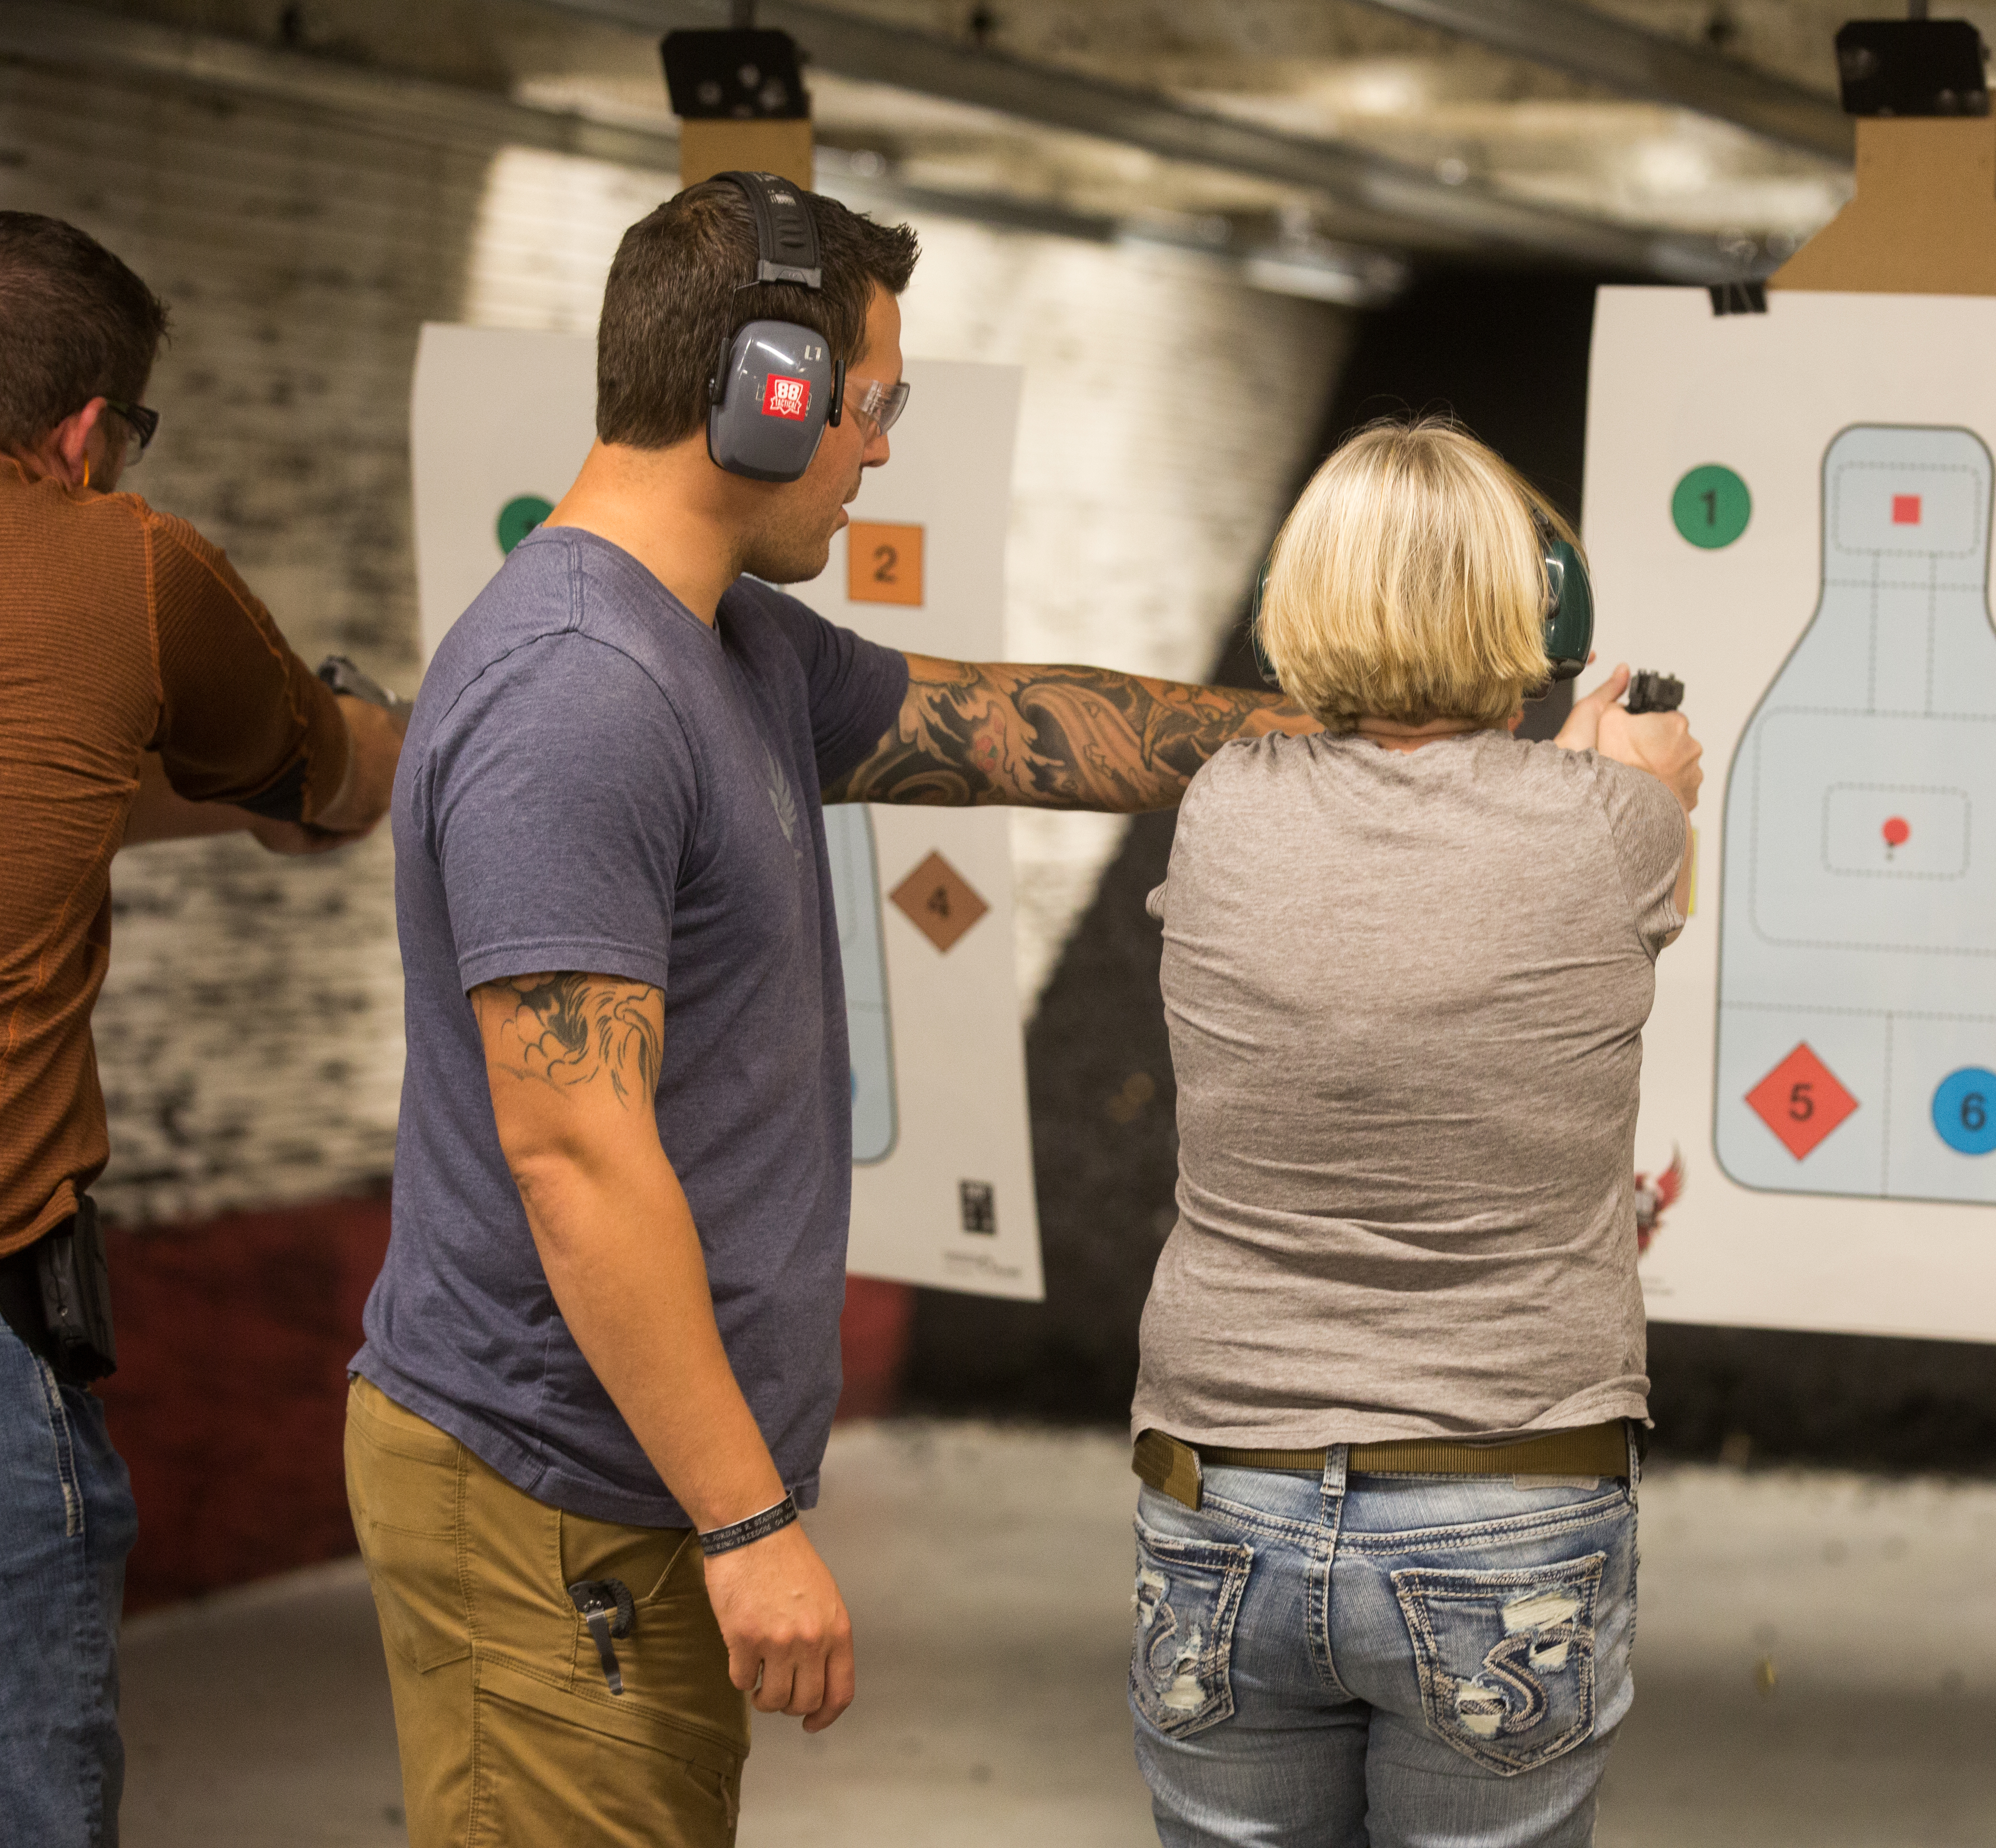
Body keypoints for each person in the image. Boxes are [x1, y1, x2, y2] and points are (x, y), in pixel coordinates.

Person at [341, 173, 1314, 1846]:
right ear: (765, 394)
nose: (877, 452)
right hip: (557, 1495)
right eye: (871, 406)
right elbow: (574, 1156)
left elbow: (1007, 728)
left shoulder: (732, 650)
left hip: (619, 1490)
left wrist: (1357, 740)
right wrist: (745, 1524)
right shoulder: (580, 693)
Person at [1126, 417, 1703, 1848]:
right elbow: (1574, 862)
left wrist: (1577, 782)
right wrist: (1634, 779)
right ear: (1533, 607)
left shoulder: (1222, 809)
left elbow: (1407, 838)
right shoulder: (1617, 828)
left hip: (1223, 1497)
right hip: (1509, 1501)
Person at [0, 210, 400, 1847]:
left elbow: (50, 786)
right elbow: (331, 775)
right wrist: (383, 736)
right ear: (87, 434)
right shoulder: (119, 559)